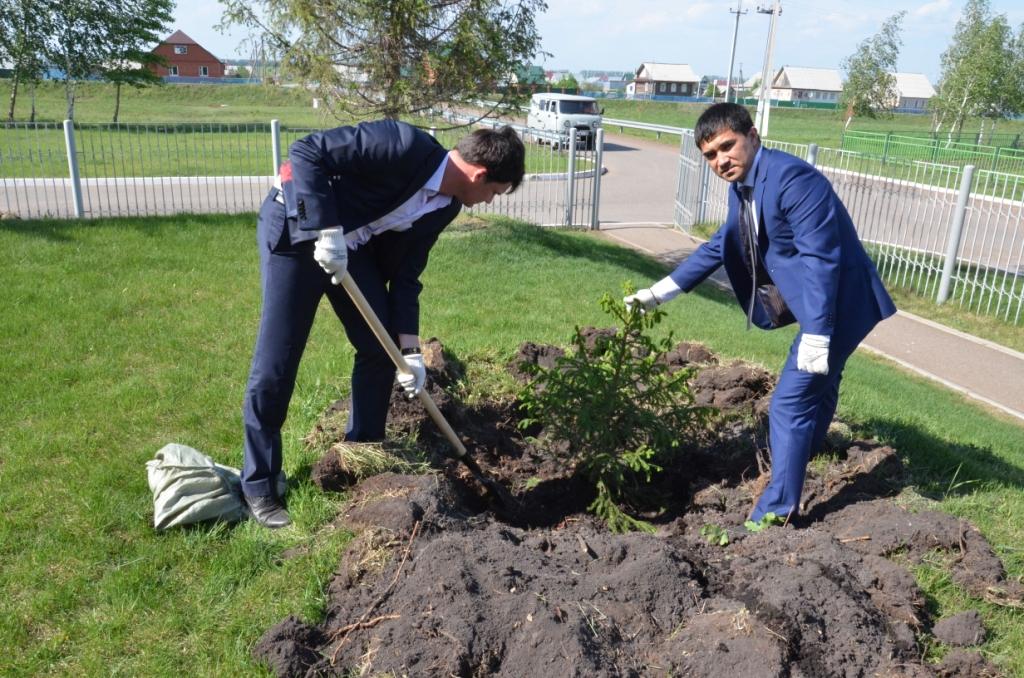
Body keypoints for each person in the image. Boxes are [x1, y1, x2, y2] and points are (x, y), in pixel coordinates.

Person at [241, 120, 526, 528]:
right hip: (297, 236)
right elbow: (305, 152)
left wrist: (411, 353)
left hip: (350, 251)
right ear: (480, 174)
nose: (490, 202)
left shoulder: (445, 205)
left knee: (379, 348)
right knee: (278, 361)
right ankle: (260, 484)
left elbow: (408, 276)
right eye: (494, 193)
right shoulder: (402, 144)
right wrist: (326, 228)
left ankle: (363, 449)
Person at [625, 102, 895, 523]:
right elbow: (720, 245)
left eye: (727, 147)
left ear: (753, 135)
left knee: (789, 403)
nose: (720, 161)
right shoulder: (745, 186)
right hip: (825, 306)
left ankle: (776, 511)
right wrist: (659, 293)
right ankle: (806, 449)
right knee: (818, 387)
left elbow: (822, 259)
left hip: (840, 305)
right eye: (711, 155)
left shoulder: (791, 179)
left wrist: (818, 334)